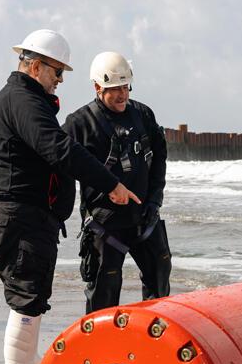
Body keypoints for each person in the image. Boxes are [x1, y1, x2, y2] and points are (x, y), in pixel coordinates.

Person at [0, 30, 141, 364]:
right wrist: (111, 183)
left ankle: (24, 361)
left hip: (10, 211)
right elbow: (59, 150)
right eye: (56, 71)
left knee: (28, 288)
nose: (61, 80)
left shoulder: (9, 100)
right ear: (35, 67)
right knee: (28, 290)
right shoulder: (25, 102)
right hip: (20, 211)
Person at [62, 51, 171, 315]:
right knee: (104, 294)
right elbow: (62, 169)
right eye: (114, 89)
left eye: (126, 87)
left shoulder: (143, 114)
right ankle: (98, 349)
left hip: (144, 218)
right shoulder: (78, 124)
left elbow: (159, 158)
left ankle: (153, 346)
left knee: (160, 281)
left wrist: (155, 200)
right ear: (98, 87)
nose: (122, 95)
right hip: (105, 225)